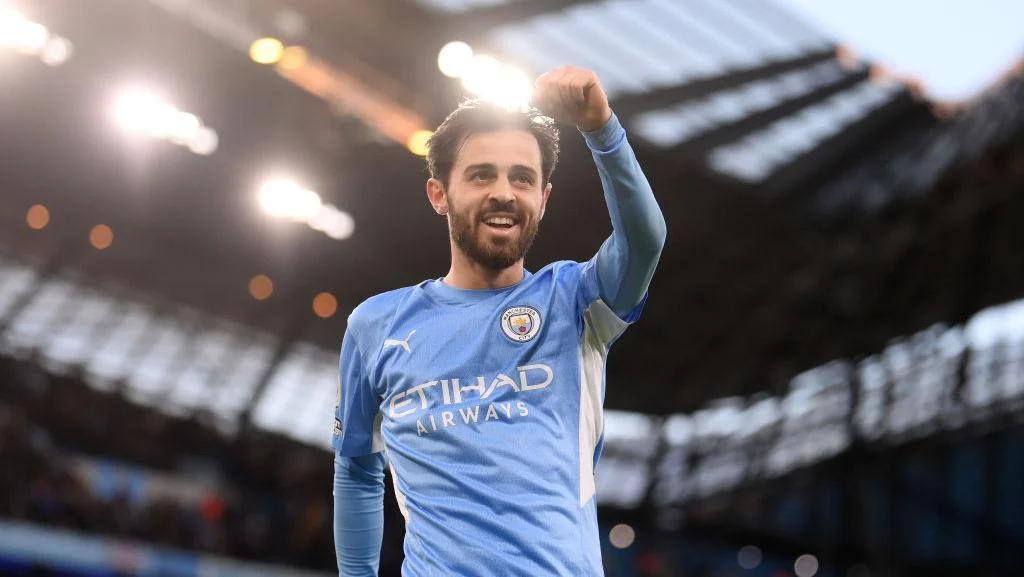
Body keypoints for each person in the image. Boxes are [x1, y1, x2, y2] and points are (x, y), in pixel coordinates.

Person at [332, 66, 667, 576]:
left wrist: (601, 128)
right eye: (481, 175)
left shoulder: (576, 301)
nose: (504, 193)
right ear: (439, 194)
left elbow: (645, 241)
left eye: (522, 178)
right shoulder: (375, 325)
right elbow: (356, 468)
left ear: (543, 200)